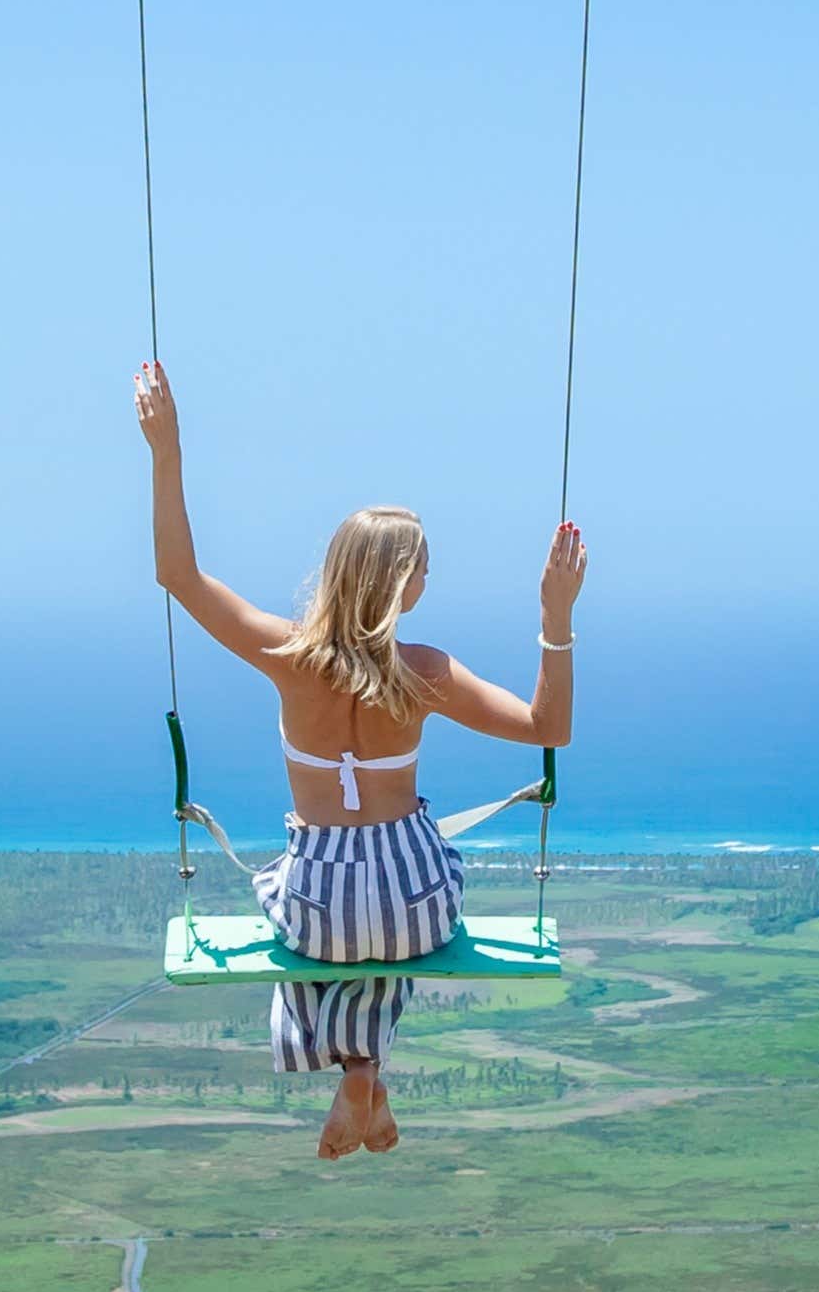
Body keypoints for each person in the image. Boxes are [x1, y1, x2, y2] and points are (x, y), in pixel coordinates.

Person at [139, 361, 582, 1157]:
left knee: (313, 917)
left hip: (321, 898)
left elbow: (177, 574)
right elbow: (549, 726)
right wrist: (556, 618)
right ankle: (363, 1076)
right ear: (402, 584)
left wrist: (164, 449)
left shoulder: (287, 655)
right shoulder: (429, 674)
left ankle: (355, 1073)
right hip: (413, 897)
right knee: (392, 916)